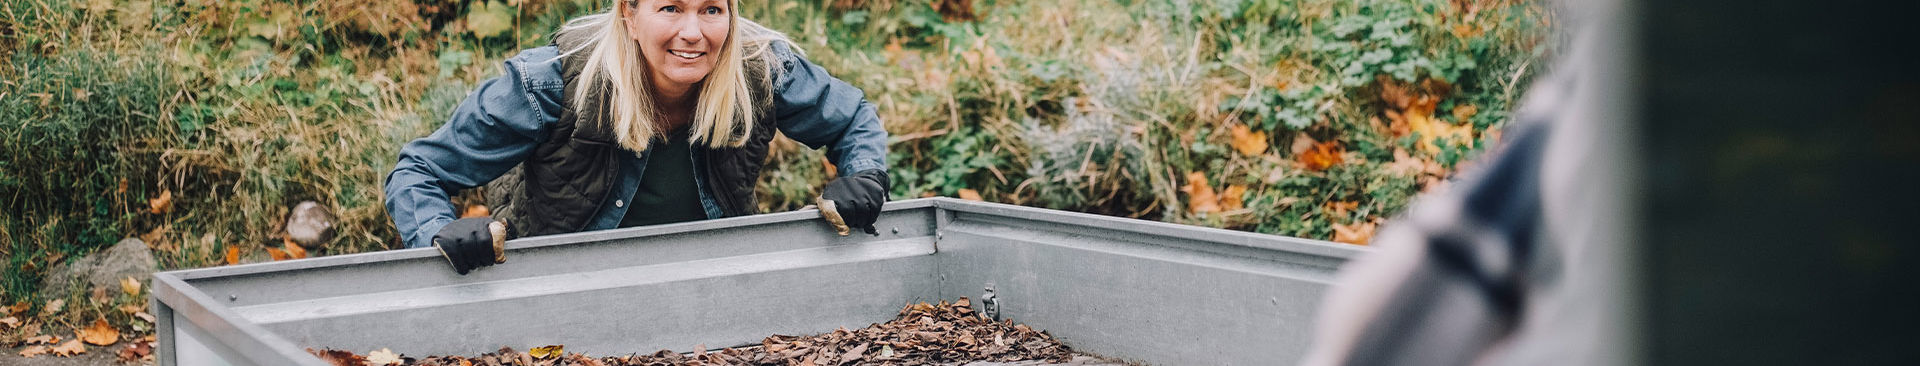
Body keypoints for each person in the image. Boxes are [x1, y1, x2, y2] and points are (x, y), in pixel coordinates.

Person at [384, 0, 891, 275]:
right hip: (556, 290)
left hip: (713, 283)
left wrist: (864, 176)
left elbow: (852, 120)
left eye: (711, 9)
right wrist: (437, 230)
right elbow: (419, 171)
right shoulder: (551, 81)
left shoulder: (761, 69)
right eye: (670, 8)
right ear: (629, 14)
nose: (693, 31)